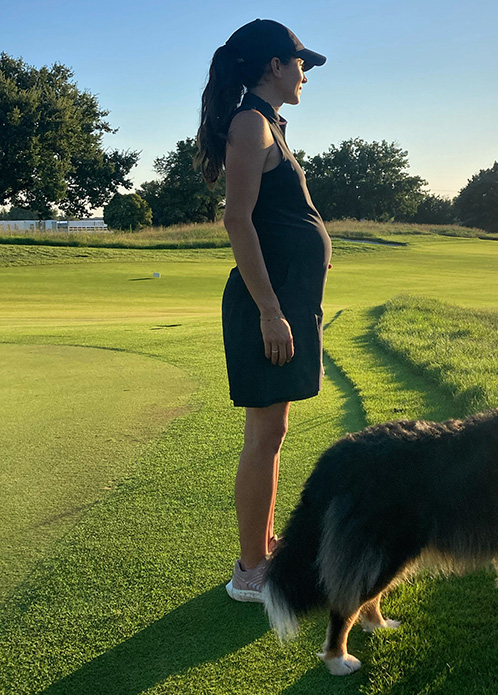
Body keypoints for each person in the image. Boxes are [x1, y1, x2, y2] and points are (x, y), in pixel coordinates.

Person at [195, 19, 330, 602]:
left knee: (272, 430)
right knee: (264, 434)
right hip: (267, 306)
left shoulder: (268, 122)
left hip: (286, 300)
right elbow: (237, 219)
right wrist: (271, 311)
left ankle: (264, 546)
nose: (305, 75)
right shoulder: (250, 124)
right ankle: (250, 571)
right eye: (300, 64)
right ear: (275, 65)